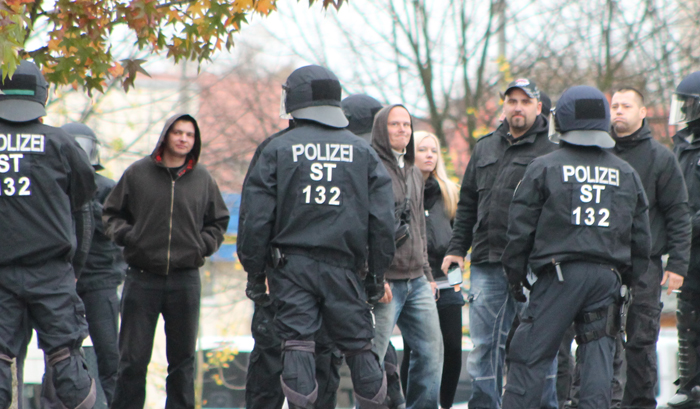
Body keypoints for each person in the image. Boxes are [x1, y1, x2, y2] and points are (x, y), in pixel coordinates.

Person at [237, 65, 396, 409]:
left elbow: (255, 218)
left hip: (291, 269)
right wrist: (377, 276)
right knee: (359, 347)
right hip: (346, 269)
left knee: (297, 346)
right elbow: (383, 222)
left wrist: (254, 272)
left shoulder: (277, 149)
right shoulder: (362, 151)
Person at [500, 85, 651, 409]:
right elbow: (641, 236)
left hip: (558, 278)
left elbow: (520, 228)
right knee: (597, 360)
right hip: (606, 277)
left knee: (529, 354)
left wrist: (515, 276)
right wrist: (629, 281)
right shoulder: (626, 172)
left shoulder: (544, 167)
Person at [441, 78, 556, 409]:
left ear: (538, 106)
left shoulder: (553, 150)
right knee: (483, 347)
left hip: (536, 266)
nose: (517, 107)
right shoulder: (484, 146)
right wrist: (455, 250)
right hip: (488, 263)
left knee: (540, 343)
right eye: (512, 101)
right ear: (504, 106)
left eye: (525, 101)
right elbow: (466, 206)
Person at [103, 113, 230, 409]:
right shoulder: (137, 173)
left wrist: (203, 246)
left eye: (190, 135)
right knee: (132, 361)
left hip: (185, 280)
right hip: (141, 278)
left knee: (183, 363)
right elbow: (110, 214)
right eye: (178, 133)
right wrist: (130, 237)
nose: (184, 139)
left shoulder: (203, 179)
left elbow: (219, 221)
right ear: (165, 135)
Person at [0, 60, 97, 409]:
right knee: (67, 363)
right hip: (51, 271)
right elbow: (84, 195)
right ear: (43, 94)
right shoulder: (60, 142)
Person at [605, 87, 690, 409]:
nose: (618, 112)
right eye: (614, 106)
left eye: (626, 106)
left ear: (643, 112)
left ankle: (639, 404)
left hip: (646, 263)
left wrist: (678, 265)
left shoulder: (660, 157)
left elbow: (678, 213)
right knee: (599, 337)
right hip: (601, 261)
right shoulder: (599, 154)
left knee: (641, 339)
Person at [370, 103, 444, 409]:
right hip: (385, 282)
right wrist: (374, 277)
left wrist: (427, 275)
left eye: (407, 124)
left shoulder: (415, 171)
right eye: (394, 124)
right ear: (380, 129)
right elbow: (363, 228)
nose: (402, 130)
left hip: (417, 281)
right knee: (372, 358)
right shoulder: (370, 167)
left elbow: (419, 229)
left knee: (431, 354)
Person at [60, 123, 127, 406]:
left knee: (110, 355)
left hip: (99, 280)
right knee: (60, 353)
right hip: (61, 280)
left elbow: (120, 232)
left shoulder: (108, 188)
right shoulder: (54, 186)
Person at [399, 131, 462, 409]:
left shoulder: (450, 193)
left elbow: (460, 238)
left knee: (453, 349)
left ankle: (445, 405)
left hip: (447, 282)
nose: (429, 155)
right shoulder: (402, 189)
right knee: (418, 351)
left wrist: (459, 278)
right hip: (415, 282)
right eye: (422, 149)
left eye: (433, 151)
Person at [669, 70, 700, 409]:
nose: (684, 110)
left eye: (689, 104)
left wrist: (687, 222)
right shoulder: (682, 146)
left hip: (693, 235)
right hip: (687, 252)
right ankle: (689, 384)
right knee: (687, 318)